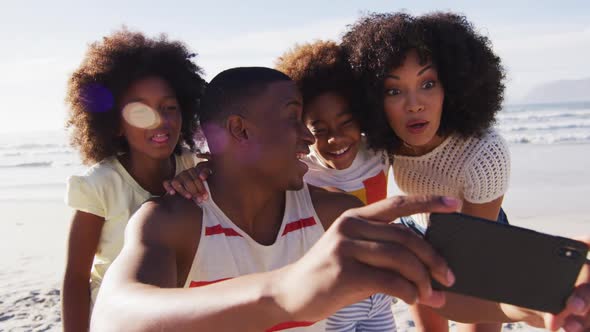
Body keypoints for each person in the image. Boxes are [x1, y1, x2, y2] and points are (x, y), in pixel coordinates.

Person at [91, 67, 590, 332]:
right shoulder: (173, 219)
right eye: (292, 119)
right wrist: (286, 291)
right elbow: (118, 314)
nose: (307, 140)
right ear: (240, 130)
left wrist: (538, 304)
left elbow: (439, 283)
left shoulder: (331, 216)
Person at [341, 12, 511, 332]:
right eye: (394, 91)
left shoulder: (484, 153)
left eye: (427, 83)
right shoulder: (382, 143)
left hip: (481, 237)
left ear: (453, 86)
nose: (414, 104)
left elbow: (471, 259)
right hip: (416, 234)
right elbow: (316, 157)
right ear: (373, 100)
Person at [62, 29, 206, 331]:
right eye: (141, 110)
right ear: (114, 123)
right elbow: (75, 280)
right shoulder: (99, 186)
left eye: (169, 107)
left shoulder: (196, 168)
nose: (160, 120)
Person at [276, 40, 393, 331]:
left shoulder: (379, 153)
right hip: (335, 297)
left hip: (380, 292)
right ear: (302, 128)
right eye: (320, 130)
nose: (335, 139)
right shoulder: (300, 172)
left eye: (346, 123)